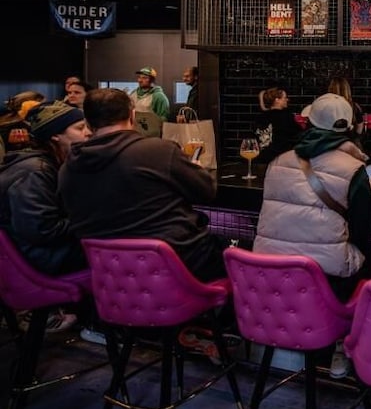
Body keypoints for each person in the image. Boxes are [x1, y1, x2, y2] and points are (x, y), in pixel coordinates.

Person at [254, 93, 371, 379]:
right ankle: (345, 343)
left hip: (267, 279)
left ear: (308, 122)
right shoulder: (354, 169)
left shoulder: (278, 161)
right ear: (347, 128)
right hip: (323, 281)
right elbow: (363, 229)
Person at [58, 88, 225, 282]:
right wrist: (196, 169)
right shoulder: (158, 151)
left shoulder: (67, 168)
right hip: (179, 268)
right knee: (233, 254)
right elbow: (207, 191)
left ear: (87, 122)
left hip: (112, 276)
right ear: (133, 115)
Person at [1, 101, 91, 276]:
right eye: (80, 128)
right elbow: (42, 230)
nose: (88, 133)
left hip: (38, 252)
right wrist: (90, 218)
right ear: (55, 135)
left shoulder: (44, 164)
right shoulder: (34, 172)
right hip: (41, 258)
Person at [254, 87, 301, 166]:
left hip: (262, 157)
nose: (287, 100)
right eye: (285, 97)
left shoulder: (260, 117)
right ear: (277, 100)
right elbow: (297, 136)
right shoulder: (286, 117)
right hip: (281, 159)